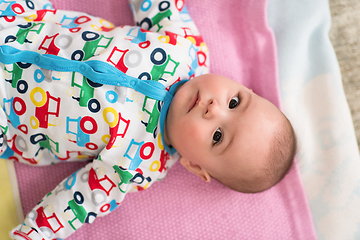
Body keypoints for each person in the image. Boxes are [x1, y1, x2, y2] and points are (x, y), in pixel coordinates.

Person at [0, 0, 296, 239]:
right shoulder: (186, 48)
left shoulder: (139, 162)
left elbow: (80, 200)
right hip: (19, 20)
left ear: (194, 165)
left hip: (8, 113)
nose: (214, 109)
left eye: (217, 136)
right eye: (234, 101)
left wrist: (34, 233)